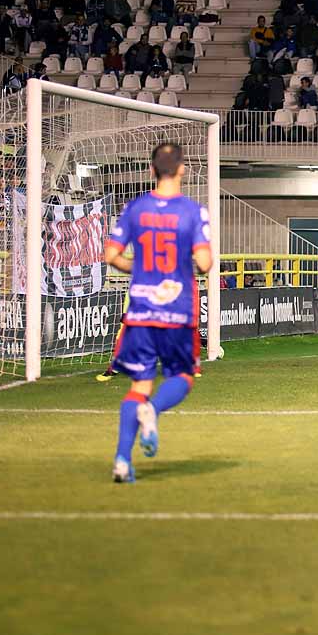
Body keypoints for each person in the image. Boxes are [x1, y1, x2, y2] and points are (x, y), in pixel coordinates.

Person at [102, 143, 211, 483]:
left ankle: (122, 460)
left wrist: (138, 268)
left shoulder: (135, 208)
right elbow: (205, 264)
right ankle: (155, 410)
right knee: (183, 376)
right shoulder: (193, 211)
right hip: (178, 311)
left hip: (141, 311)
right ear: (182, 170)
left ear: (151, 170)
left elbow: (110, 255)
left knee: (139, 385)